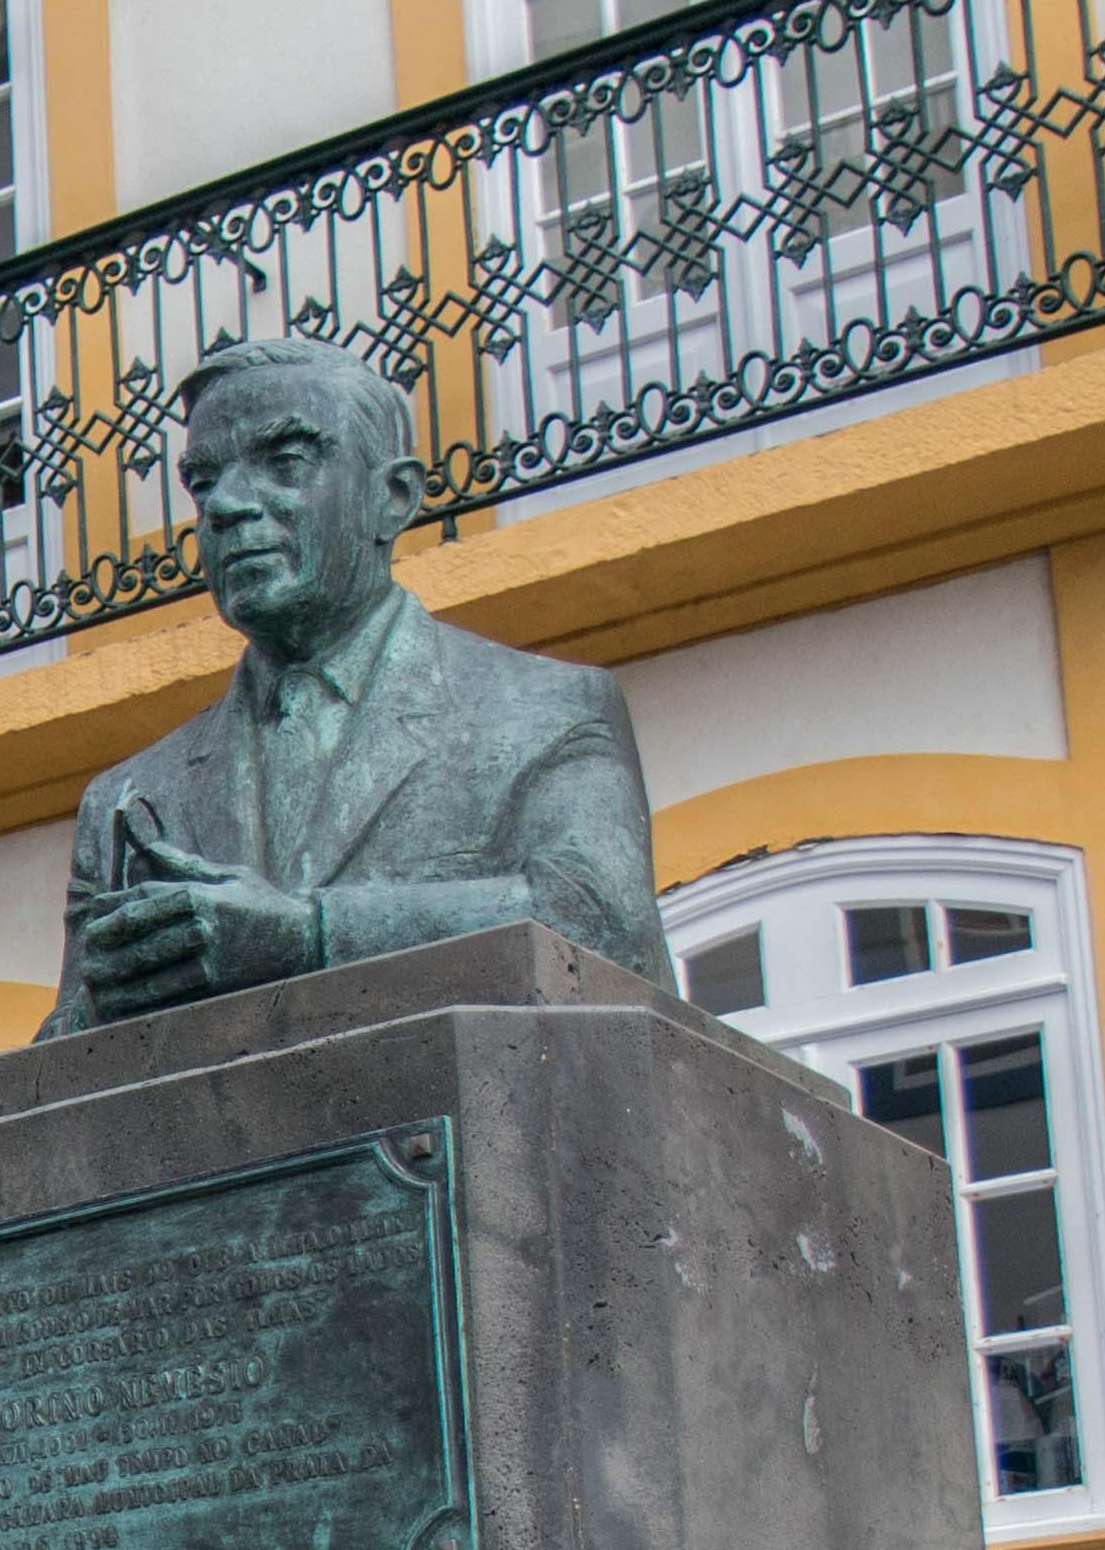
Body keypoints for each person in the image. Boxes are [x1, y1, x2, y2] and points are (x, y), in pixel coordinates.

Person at [44, 333, 661, 1029]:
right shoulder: (127, 800)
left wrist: (311, 934)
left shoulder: (545, 712)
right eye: (204, 481)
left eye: (284, 463)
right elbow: (62, 1057)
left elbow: (604, 930)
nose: (225, 506)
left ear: (392, 498)